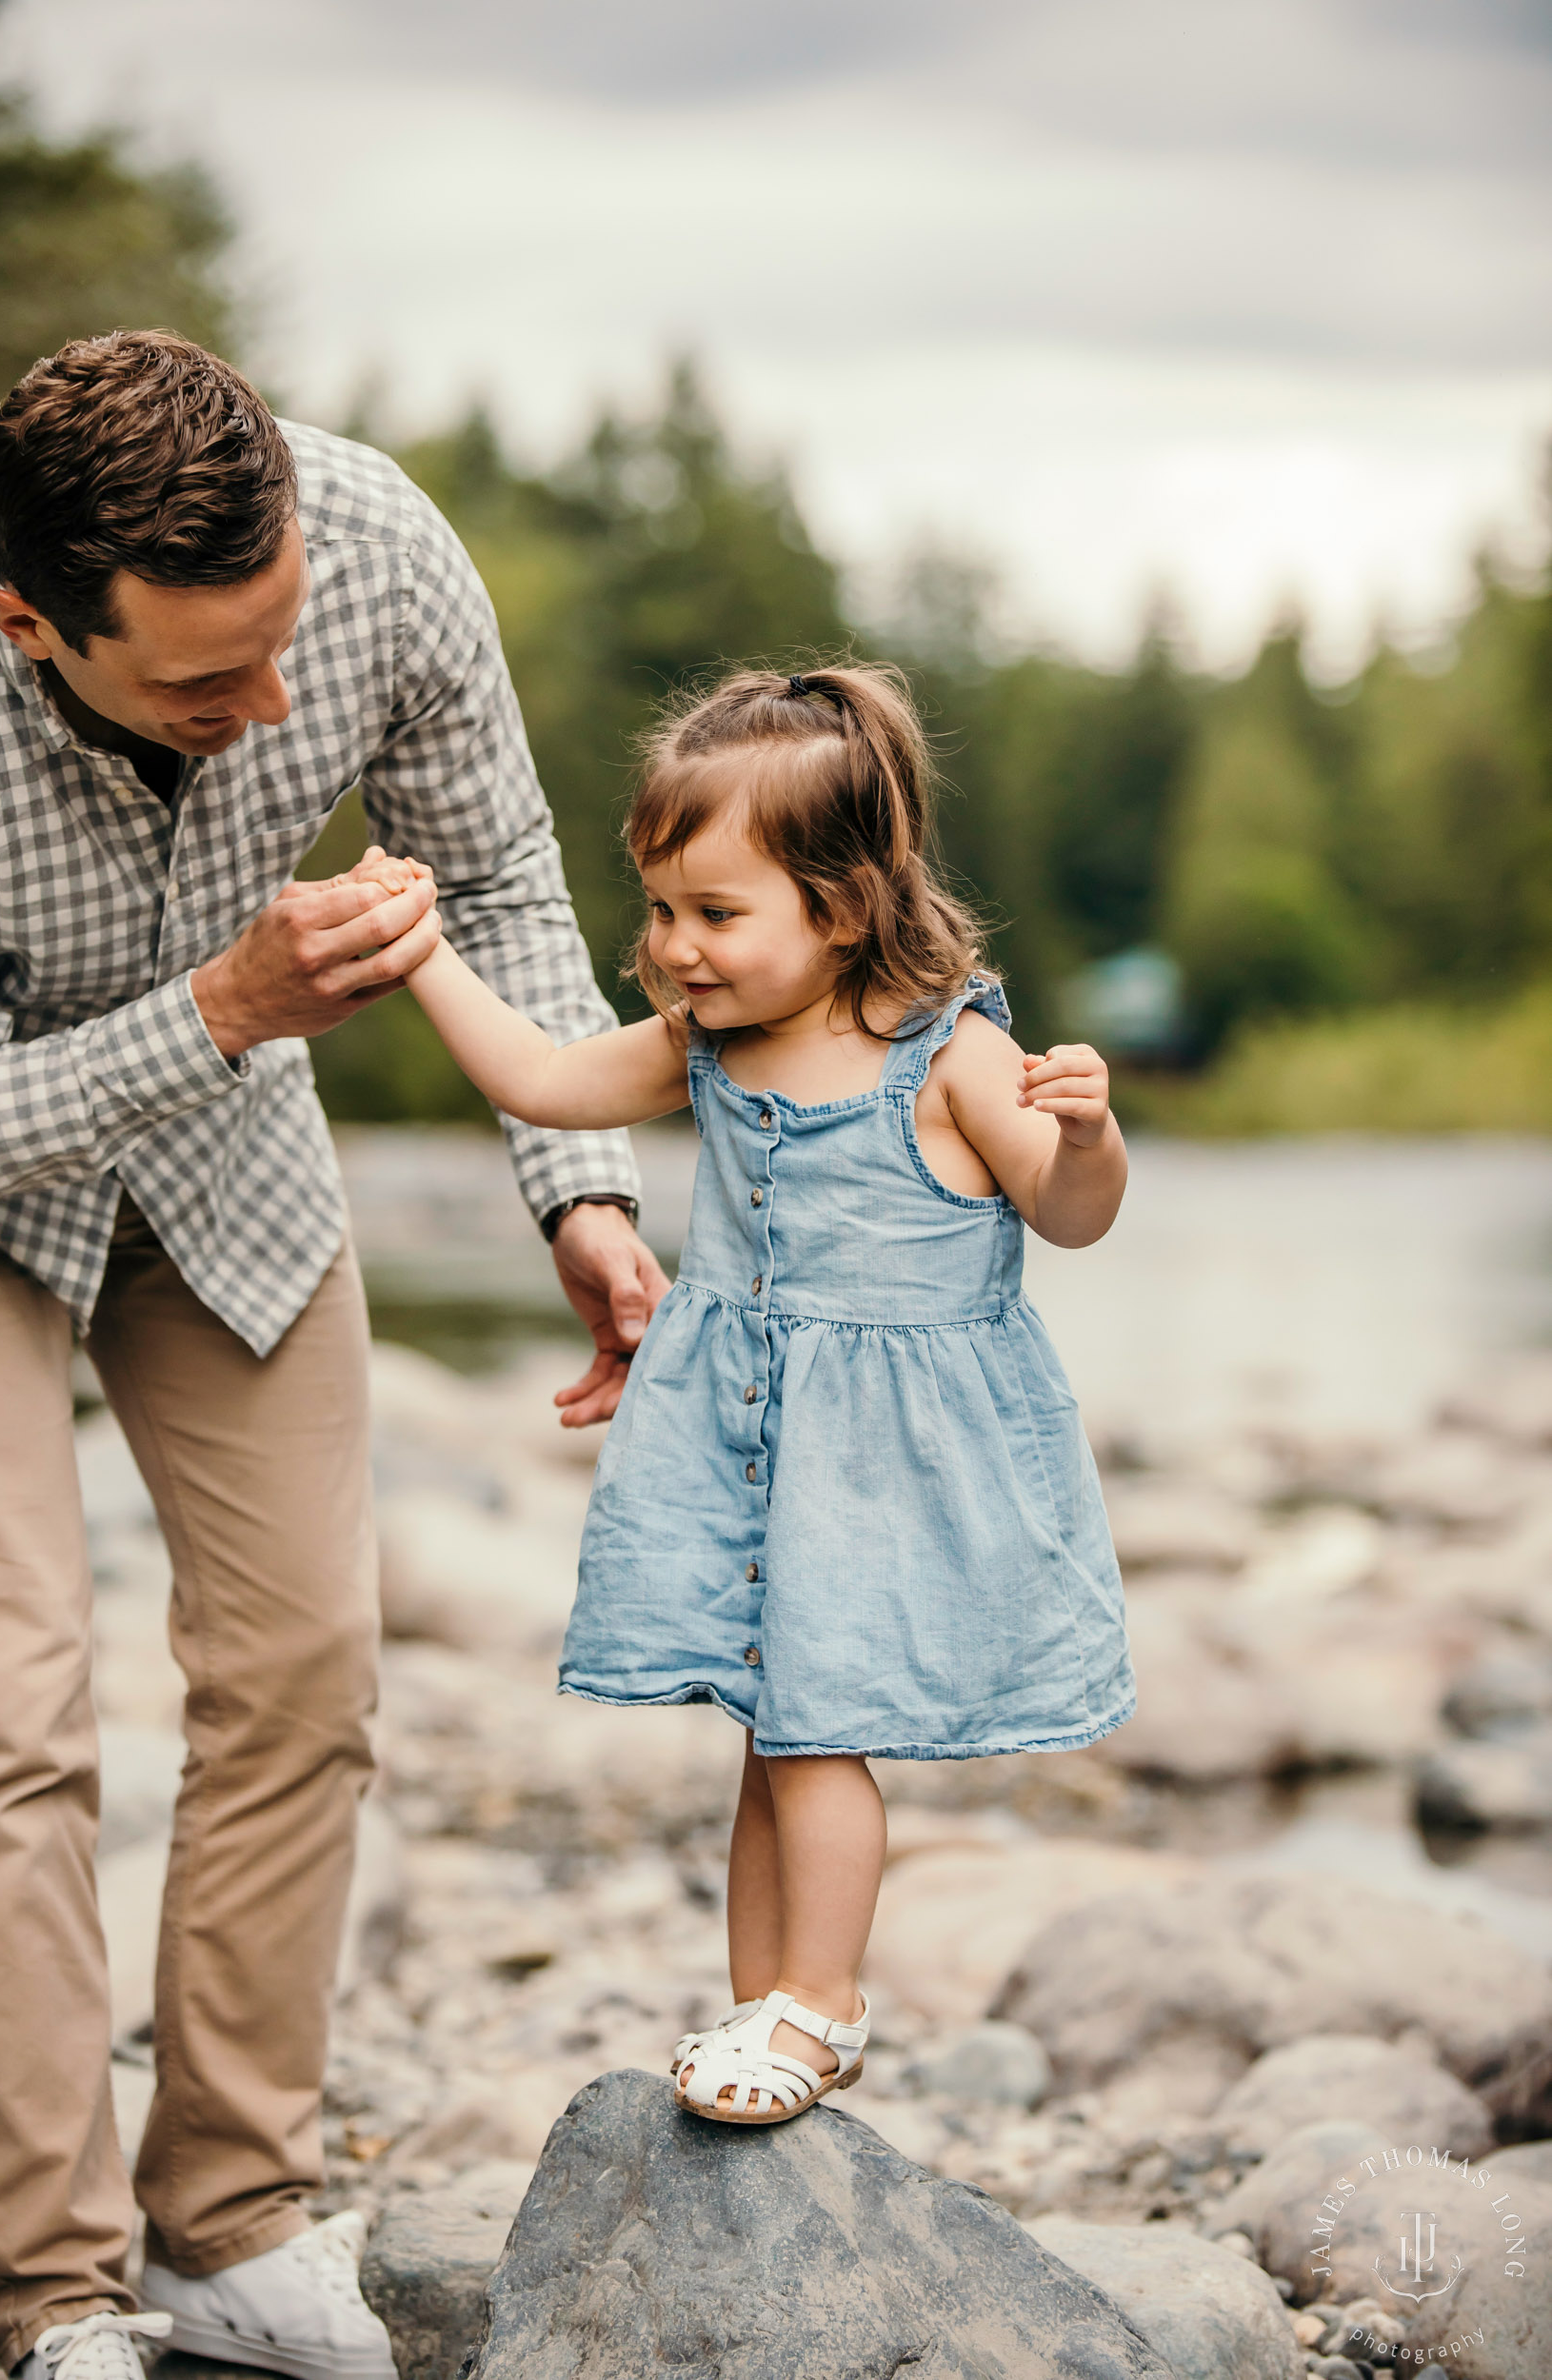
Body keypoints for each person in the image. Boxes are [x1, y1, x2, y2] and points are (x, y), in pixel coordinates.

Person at [0, 330, 667, 2380]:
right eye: (207, 681)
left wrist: (582, 1190)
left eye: (281, 647)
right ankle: (48, 2290)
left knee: (302, 1667)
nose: (274, 706)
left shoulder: (370, 547)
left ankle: (230, 2216)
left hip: (229, 1154)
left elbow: (510, 871)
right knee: (7, 1709)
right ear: (29, 619)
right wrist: (220, 1003)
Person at [353, 661, 1135, 2125]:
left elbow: (1070, 1217)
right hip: (749, 1444)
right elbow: (538, 1079)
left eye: (716, 914)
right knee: (773, 1743)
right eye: (661, 909)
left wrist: (1086, 1138)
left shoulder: (952, 1056)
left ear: (842, 905)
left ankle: (820, 2011)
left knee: (818, 1731)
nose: (676, 947)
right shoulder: (705, 1045)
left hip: (888, 1463)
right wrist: (424, 955)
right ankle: (763, 2006)